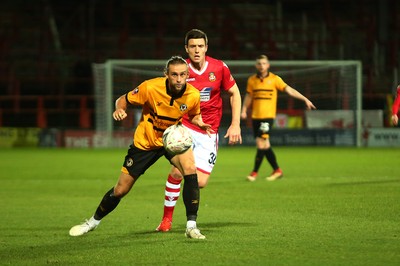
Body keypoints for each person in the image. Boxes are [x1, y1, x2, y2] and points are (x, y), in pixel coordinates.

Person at [69, 56, 212, 239]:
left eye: (182, 75)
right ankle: (92, 222)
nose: (178, 79)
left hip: (172, 141)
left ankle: (191, 226)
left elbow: (194, 115)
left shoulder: (193, 94)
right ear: (166, 74)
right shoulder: (150, 87)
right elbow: (124, 99)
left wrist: (199, 123)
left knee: (190, 169)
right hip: (145, 143)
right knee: (121, 190)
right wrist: (120, 109)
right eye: (174, 74)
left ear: (187, 75)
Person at [155, 29, 242, 232]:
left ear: (206, 48)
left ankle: (184, 208)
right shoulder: (181, 71)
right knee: (177, 172)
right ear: (186, 48)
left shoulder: (219, 67)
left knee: (200, 182)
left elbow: (235, 93)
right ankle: (166, 220)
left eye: (200, 46)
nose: (197, 50)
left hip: (209, 132)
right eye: (192, 46)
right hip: (185, 127)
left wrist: (235, 123)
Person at [241, 55, 316, 182]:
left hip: (267, 117)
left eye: (264, 63)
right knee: (265, 145)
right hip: (255, 117)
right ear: (256, 65)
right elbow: (249, 96)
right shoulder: (252, 80)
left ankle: (254, 173)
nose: (261, 66)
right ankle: (277, 170)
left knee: (260, 143)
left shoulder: (275, 79)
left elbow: (290, 90)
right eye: (259, 63)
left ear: (268, 65)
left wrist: (305, 99)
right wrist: (243, 110)